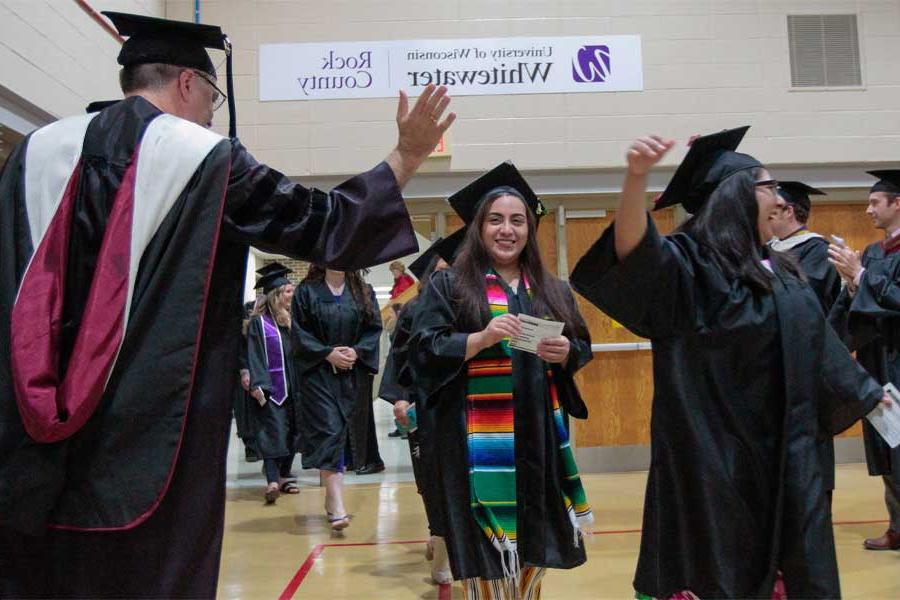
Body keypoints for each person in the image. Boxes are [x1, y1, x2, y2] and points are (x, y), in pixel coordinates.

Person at [0, 11, 454, 598]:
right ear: (188, 83)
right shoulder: (203, 159)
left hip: (28, 456)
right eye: (211, 97)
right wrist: (407, 155)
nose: (213, 113)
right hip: (148, 451)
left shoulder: (32, 155)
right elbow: (323, 223)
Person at [569, 127, 888, 599]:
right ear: (737, 197)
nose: (780, 201)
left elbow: (818, 344)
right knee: (723, 573)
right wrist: (635, 180)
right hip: (718, 458)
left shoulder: (781, 269)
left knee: (797, 571)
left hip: (789, 453)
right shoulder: (693, 267)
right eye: (769, 188)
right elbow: (636, 256)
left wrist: (869, 394)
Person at [408, 163, 594, 600]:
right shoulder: (450, 286)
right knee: (486, 563)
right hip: (474, 446)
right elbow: (421, 350)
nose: (506, 230)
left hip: (538, 442)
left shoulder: (552, 289)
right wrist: (478, 339)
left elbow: (581, 345)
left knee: (533, 552)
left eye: (517, 220)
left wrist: (567, 353)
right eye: (495, 220)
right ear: (478, 228)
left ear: (530, 228)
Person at [380, 233, 460, 585]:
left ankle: (455, 545)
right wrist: (399, 396)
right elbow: (399, 358)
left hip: (465, 405)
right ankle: (441, 545)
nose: (445, 277)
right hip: (425, 407)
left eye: (451, 270)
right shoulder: (414, 310)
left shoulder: (472, 305)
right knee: (433, 481)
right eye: (439, 272)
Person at [828, 169, 900, 551]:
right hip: (877, 362)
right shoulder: (873, 253)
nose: (869, 209)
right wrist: (853, 282)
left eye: (875, 202)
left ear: (897, 204)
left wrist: (862, 276)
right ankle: (898, 526)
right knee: (889, 446)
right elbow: (866, 307)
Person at [292, 266, 383, 530]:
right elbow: (300, 334)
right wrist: (327, 353)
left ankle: (333, 501)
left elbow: (373, 329)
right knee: (329, 430)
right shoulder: (307, 292)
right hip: (319, 374)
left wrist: (356, 352)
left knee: (344, 434)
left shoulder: (363, 292)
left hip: (353, 375)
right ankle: (336, 502)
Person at [768, 181, 842, 505]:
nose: (767, 216)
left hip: (808, 364)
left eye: (774, 208)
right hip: (776, 364)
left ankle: (815, 502)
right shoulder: (770, 250)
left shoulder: (815, 251)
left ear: (789, 210)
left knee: (811, 442)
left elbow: (802, 300)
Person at [246, 263, 301, 504]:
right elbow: (254, 354)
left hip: (296, 387)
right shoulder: (260, 323)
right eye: (288, 291)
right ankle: (271, 480)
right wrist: (258, 384)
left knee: (293, 434)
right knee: (273, 432)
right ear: (275, 295)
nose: (292, 295)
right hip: (272, 389)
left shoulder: (294, 321)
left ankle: (283, 477)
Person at [769, 181, 840, 312]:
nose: (766, 215)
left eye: (772, 210)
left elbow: (808, 295)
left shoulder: (819, 250)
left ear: (788, 211)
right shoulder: (769, 247)